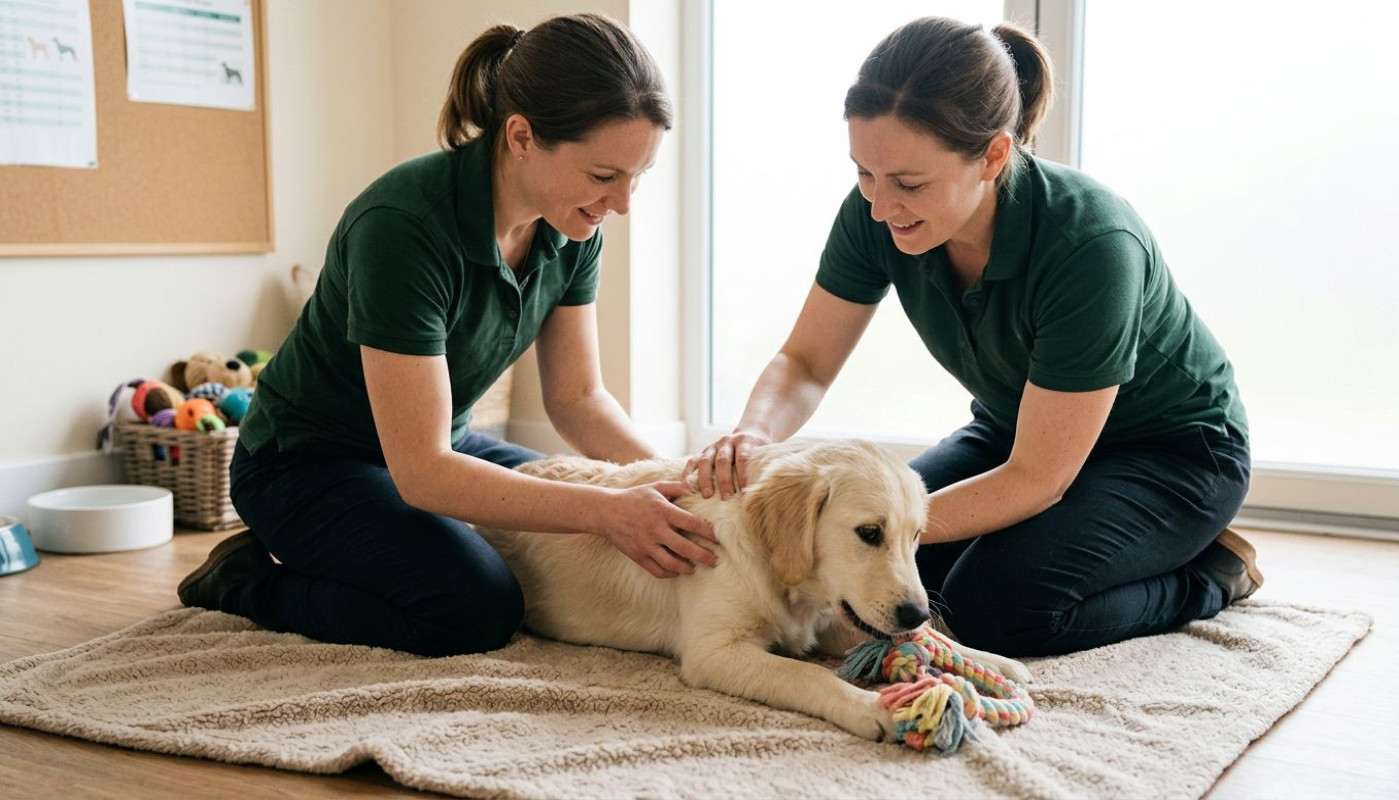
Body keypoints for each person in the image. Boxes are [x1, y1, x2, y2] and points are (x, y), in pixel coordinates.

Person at [686, 17, 1260, 657]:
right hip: (1017, 431)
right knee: (887, 581)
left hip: (1171, 457)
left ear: (993, 155)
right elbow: (806, 361)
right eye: (864, 174)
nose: (880, 206)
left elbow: (1038, 477)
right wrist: (753, 433)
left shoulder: (1092, 243)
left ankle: (1204, 574)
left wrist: (890, 531)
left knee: (996, 606)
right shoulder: (879, 212)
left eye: (908, 183)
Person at [177, 13, 717, 658]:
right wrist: (605, 509)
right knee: (476, 608)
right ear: (521, 136)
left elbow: (577, 399)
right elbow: (425, 475)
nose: (623, 203)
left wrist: (672, 482)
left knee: (581, 539)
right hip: (306, 466)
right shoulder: (402, 226)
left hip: (441, 448)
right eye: (604, 176)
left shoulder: (572, 225)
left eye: (638, 176)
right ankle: (245, 580)